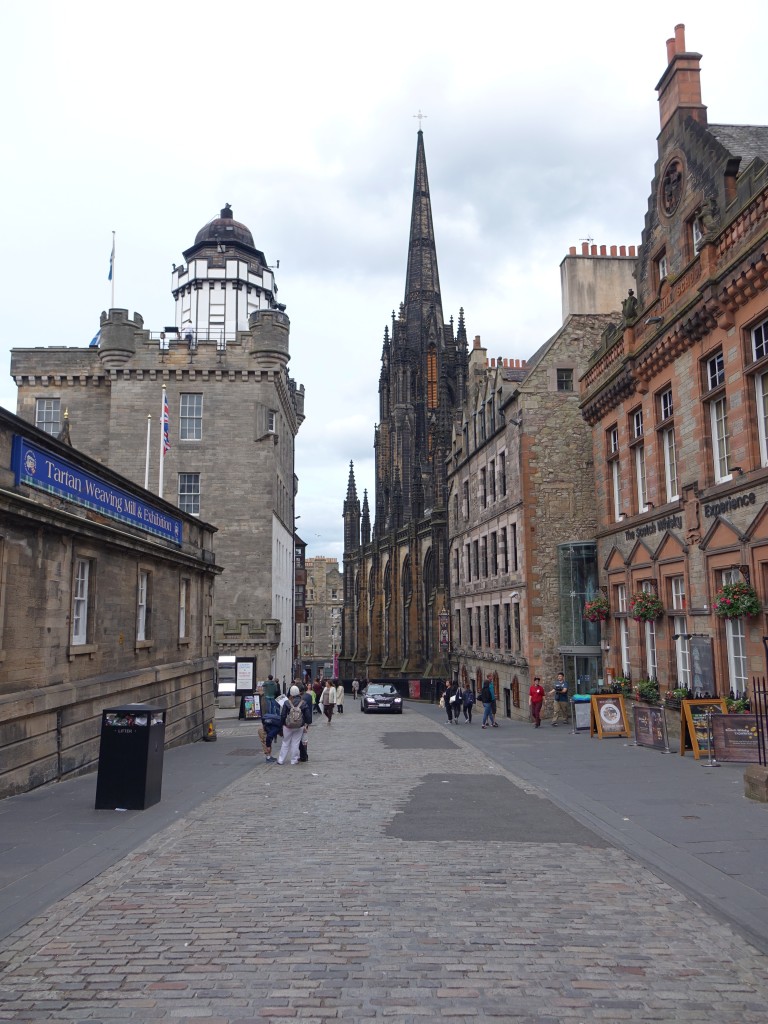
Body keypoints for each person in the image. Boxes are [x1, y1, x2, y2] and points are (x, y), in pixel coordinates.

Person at [278, 685, 311, 764]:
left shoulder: (287, 703)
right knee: (295, 743)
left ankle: (281, 760)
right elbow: (308, 716)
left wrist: (282, 725)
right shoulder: (303, 703)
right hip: (299, 726)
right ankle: (294, 760)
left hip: (288, 726)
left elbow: (283, 715)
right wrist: (306, 724)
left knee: (285, 742)